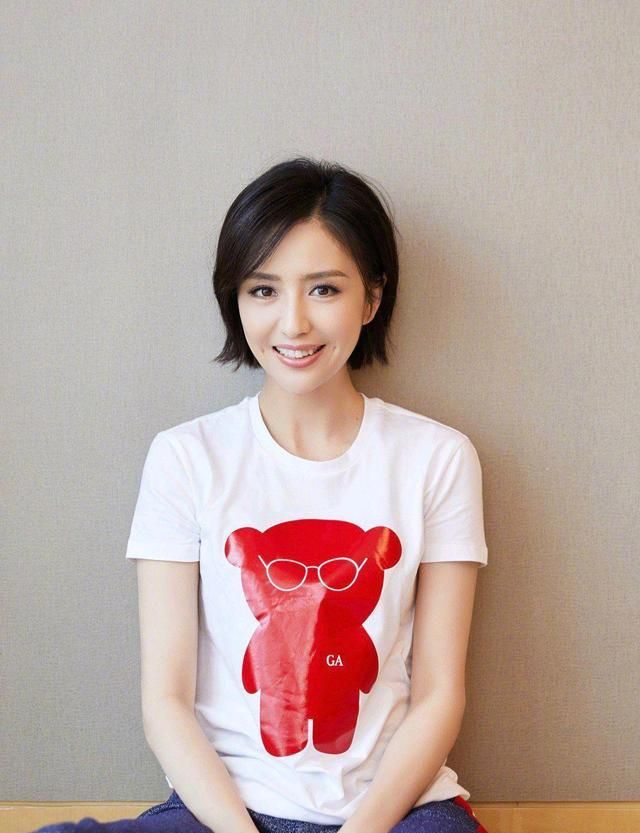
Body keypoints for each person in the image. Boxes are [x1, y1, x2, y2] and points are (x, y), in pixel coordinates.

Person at [31, 158, 490, 833]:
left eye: (324, 289)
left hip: (396, 814)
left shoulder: (437, 458)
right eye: (264, 290)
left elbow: (440, 696)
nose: (293, 322)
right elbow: (165, 699)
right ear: (237, 301)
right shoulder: (186, 458)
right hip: (224, 812)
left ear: (371, 299)